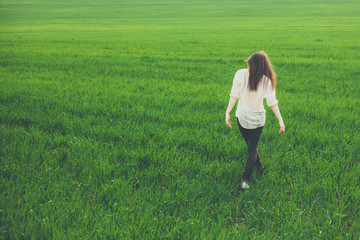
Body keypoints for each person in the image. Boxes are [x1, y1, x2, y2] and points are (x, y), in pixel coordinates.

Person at [225, 51, 285, 189]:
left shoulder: (240, 74)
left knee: (251, 147)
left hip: (242, 118)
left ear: (251, 64)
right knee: (252, 148)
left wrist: (228, 112)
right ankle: (249, 176)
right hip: (258, 120)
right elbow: (272, 102)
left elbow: (234, 94)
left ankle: (250, 175)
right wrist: (280, 121)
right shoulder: (267, 81)